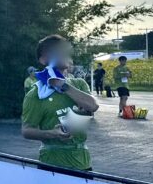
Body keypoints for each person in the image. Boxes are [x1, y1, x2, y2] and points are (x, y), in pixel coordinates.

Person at [21, 35, 99, 171]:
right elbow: (27, 130)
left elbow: (92, 106)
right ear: (43, 59)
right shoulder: (36, 94)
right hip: (51, 164)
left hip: (83, 162)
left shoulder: (79, 84)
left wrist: (63, 86)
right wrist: (52, 133)